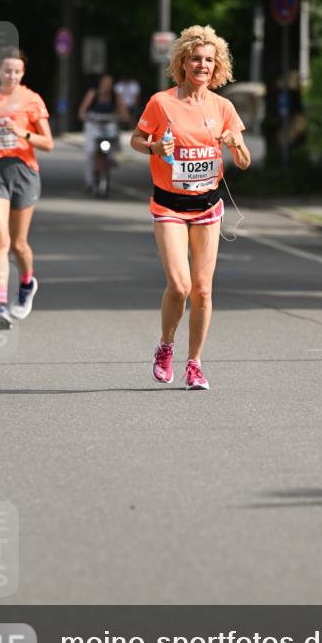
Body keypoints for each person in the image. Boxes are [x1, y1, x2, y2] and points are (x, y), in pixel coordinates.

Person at [130, 25, 250, 391]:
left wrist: (234, 144)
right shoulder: (161, 102)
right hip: (168, 205)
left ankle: (194, 363)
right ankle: (165, 346)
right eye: (196, 59)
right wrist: (154, 149)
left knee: (203, 290)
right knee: (180, 286)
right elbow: (136, 139)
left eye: (209, 61)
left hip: (208, 207)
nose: (202, 66)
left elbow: (243, 162)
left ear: (218, 67)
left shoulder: (223, 107)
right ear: (182, 62)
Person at [0, 47, 53, 329]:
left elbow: (48, 143)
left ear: (23, 72)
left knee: (18, 243)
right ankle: (1, 306)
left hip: (24, 172)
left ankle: (27, 282)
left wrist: (24, 133)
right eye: (7, 70)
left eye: (17, 71)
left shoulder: (31, 99)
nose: (12, 75)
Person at [78, 74, 130, 192]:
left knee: (115, 136)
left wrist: (125, 117)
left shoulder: (115, 95)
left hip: (109, 124)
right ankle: (90, 180)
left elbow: (123, 110)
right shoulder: (93, 93)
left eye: (110, 83)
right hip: (94, 124)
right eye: (105, 83)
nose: (107, 85)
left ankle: (112, 156)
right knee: (90, 151)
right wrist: (84, 116)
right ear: (101, 83)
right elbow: (82, 110)